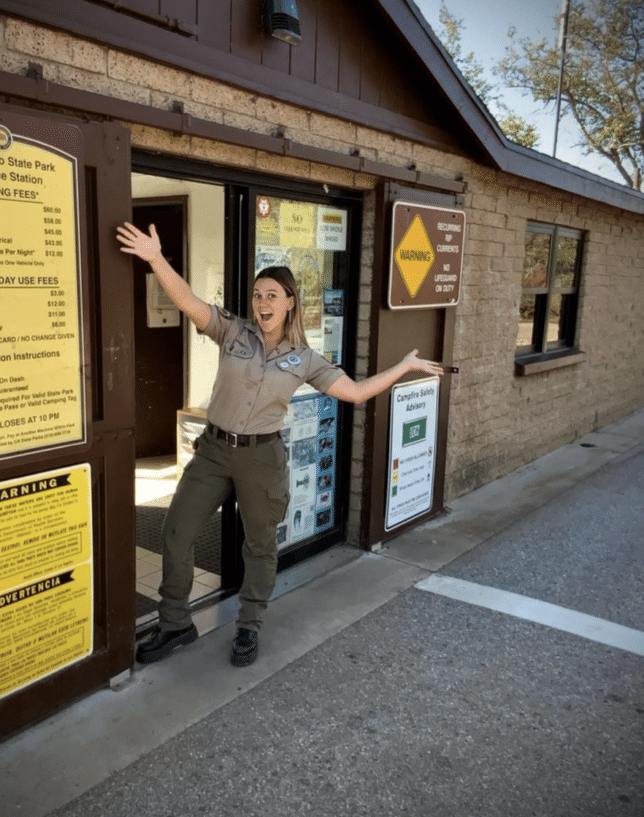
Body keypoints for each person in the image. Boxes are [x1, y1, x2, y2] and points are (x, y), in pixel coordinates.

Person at [117, 221, 443, 667]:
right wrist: (156, 259)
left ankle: (248, 627)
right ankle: (176, 623)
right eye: (257, 294)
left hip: (262, 458)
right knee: (175, 532)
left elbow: (357, 393)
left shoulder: (306, 360)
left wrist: (403, 367)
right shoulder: (233, 332)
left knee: (260, 547)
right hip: (213, 452)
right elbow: (189, 302)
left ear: (290, 302)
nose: (262, 302)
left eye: (272, 295)